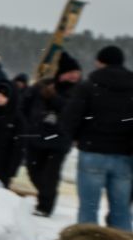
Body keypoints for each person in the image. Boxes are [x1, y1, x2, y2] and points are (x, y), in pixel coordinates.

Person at [62, 46, 133, 229]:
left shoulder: (88, 85)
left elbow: (71, 117)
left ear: (101, 62)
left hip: (92, 151)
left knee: (88, 207)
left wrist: (75, 138)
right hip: (124, 155)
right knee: (121, 209)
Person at [21, 53, 82, 217]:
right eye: (71, 72)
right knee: (33, 171)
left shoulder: (79, 90)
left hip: (59, 140)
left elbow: (72, 111)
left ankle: (45, 206)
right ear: (61, 73)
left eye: (77, 72)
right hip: (36, 137)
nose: (75, 76)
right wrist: (27, 126)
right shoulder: (41, 86)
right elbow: (24, 106)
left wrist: (54, 98)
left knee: (50, 174)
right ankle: (46, 194)